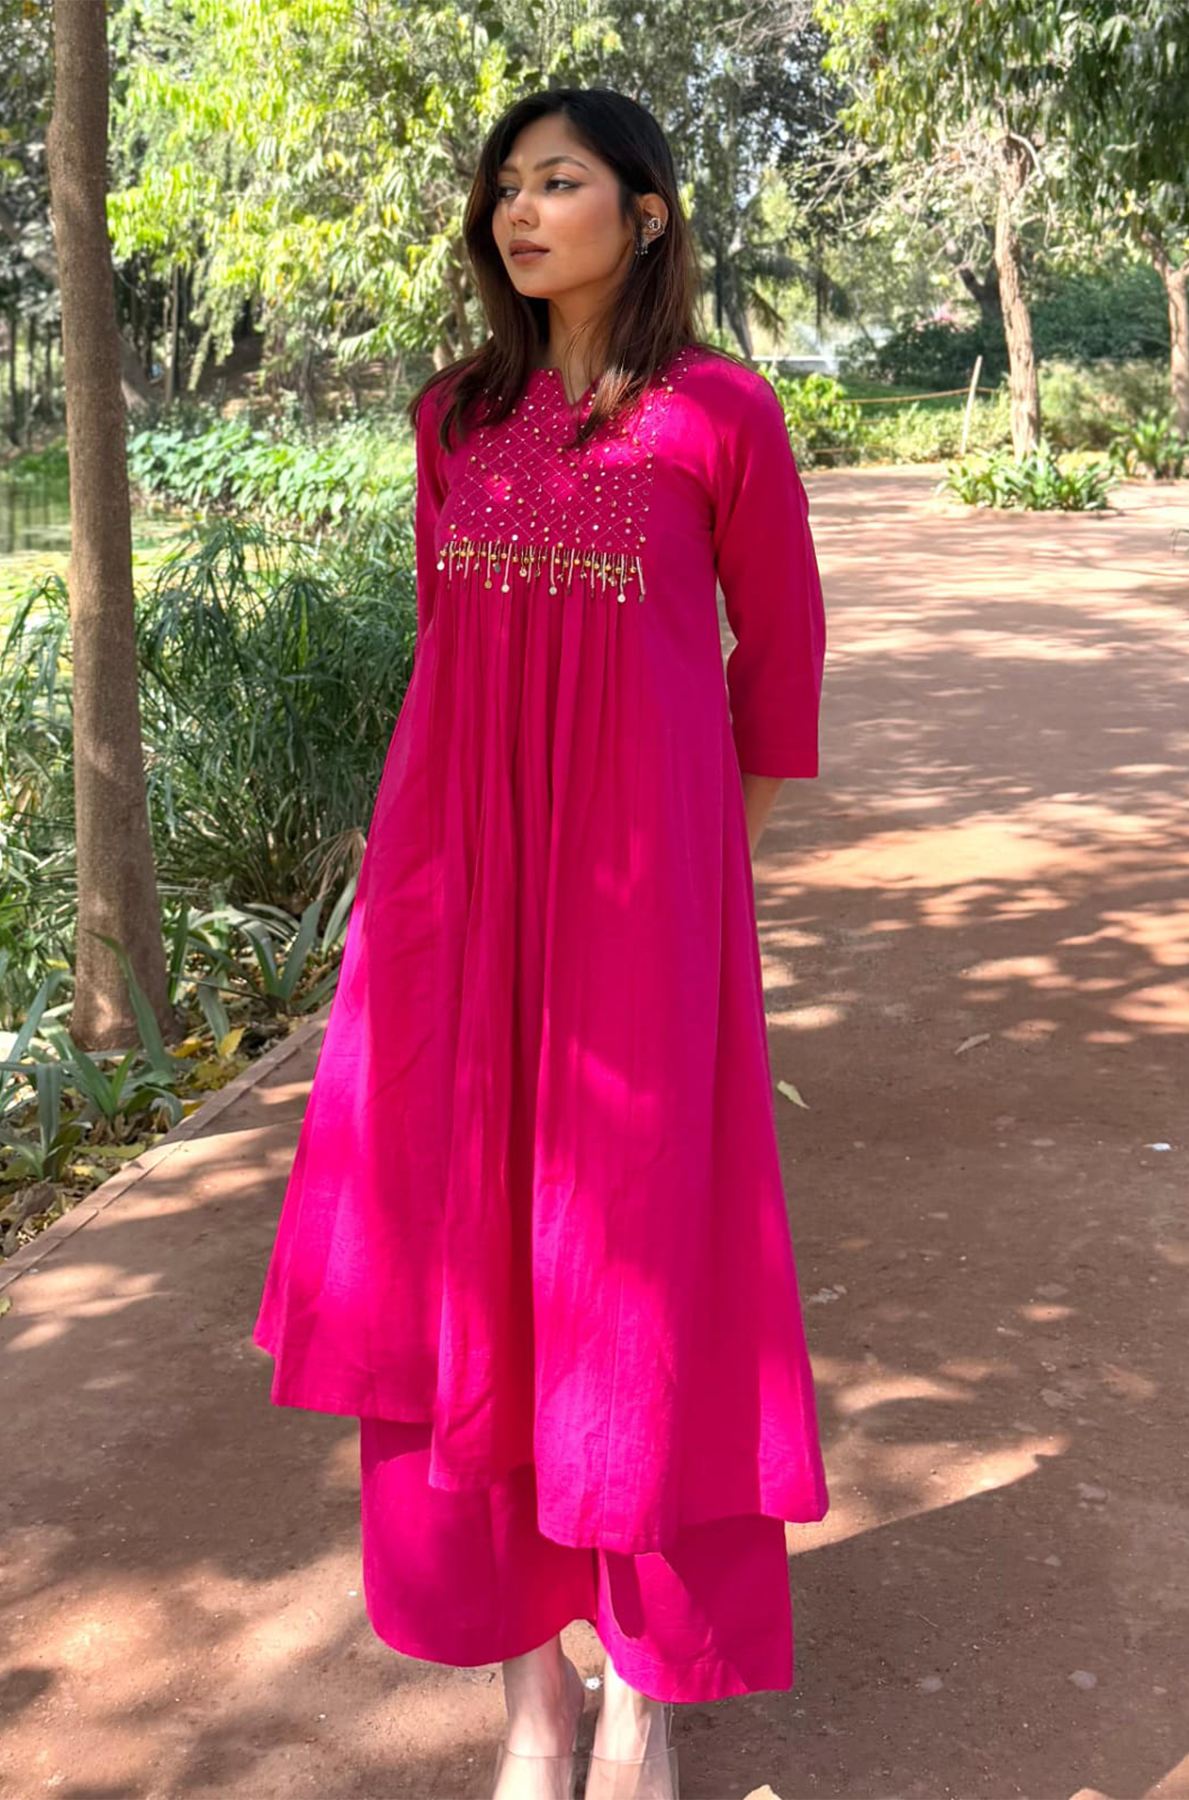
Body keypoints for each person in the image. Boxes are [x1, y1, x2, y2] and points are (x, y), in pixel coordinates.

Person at [252, 84, 830, 1800]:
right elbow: (452, 653)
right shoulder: (456, 416)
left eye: (556, 181)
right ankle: (534, 1703)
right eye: (504, 185)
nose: (518, 210)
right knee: (463, 1257)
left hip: (643, 905)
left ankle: (647, 1690)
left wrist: (707, 882)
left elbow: (778, 661)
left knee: (642, 1268)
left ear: (644, 213)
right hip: (454, 895)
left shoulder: (720, 414)